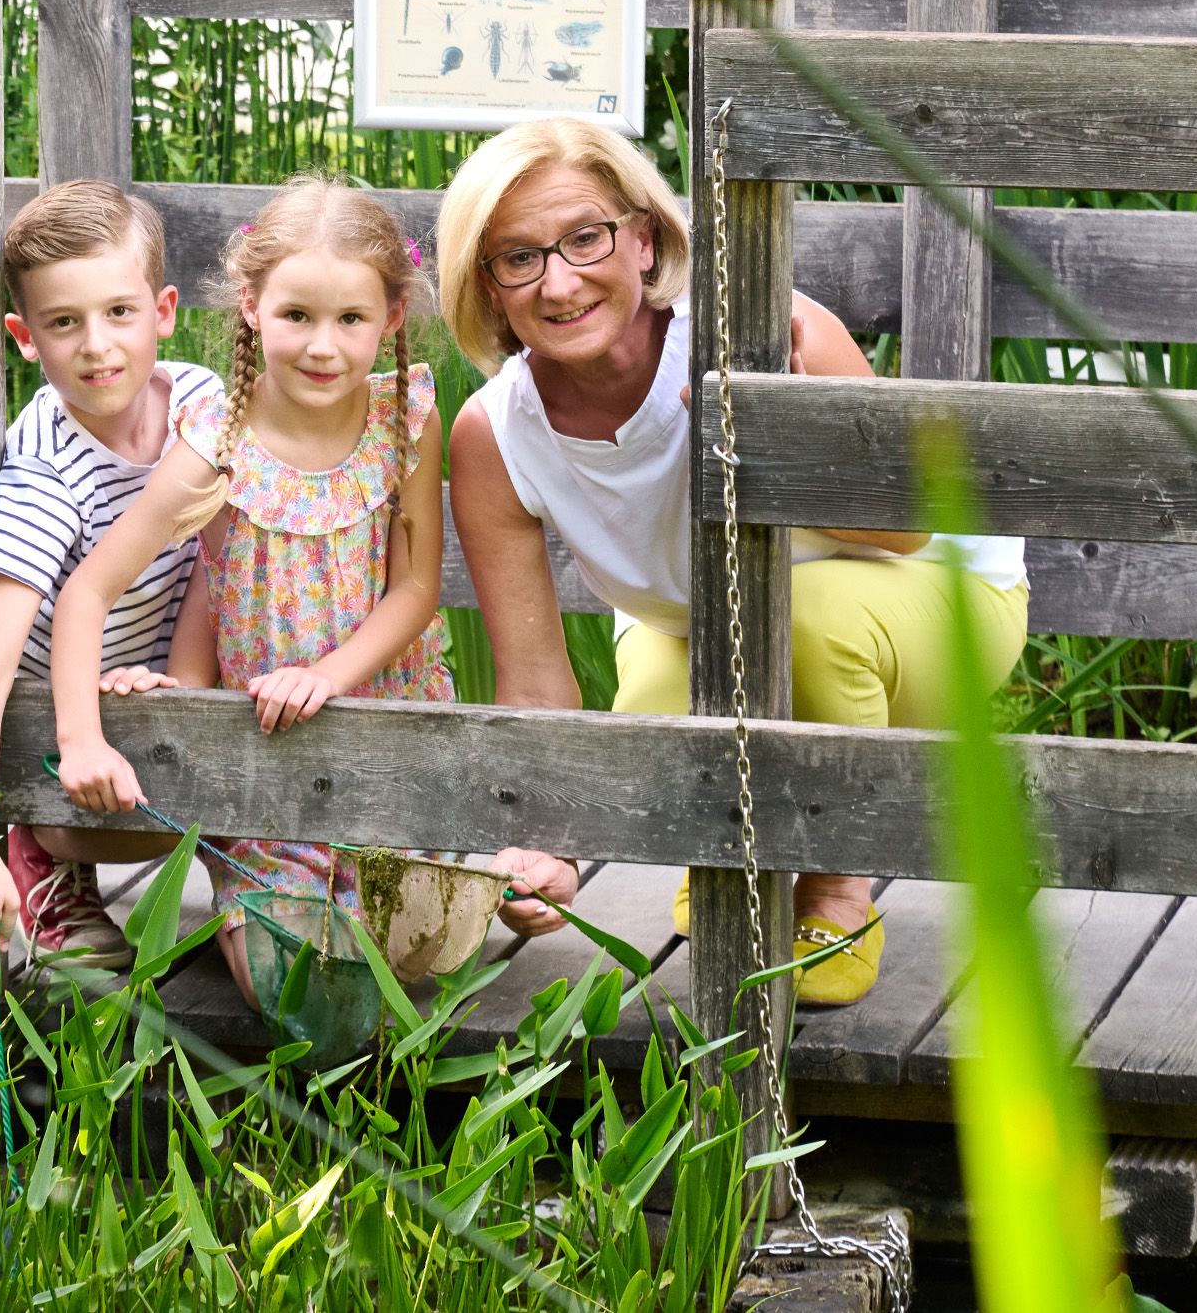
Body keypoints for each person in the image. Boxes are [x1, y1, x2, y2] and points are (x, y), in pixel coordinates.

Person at [437, 117, 1029, 1007]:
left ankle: (834, 890)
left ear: (642, 238)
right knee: (647, 677)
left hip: (937, 601)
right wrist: (547, 843)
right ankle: (733, 869)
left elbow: (906, 528)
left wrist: (784, 432)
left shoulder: (759, 330)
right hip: (717, 629)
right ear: (485, 286)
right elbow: (532, 683)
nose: (558, 282)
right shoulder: (494, 432)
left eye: (584, 238)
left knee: (806, 616)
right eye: (518, 258)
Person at [49, 176, 452, 1006]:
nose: (323, 346)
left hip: (387, 745)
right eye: (296, 315)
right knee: (293, 989)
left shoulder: (405, 420)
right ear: (251, 306)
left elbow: (415, 588)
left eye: (352, 319)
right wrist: (92, 733)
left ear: (394, 318)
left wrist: (327, 677)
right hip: (260, 767)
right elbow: (89, 590)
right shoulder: (217, 442)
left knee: (407, 967)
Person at [0, 180, 221, 985]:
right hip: (68, 715)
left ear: (163, 311)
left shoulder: (201, 402)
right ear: (26, 338)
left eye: (119, 314)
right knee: (102, 811)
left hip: (169, 671)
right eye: (65, 323)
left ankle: (255, 864)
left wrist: (188, 678)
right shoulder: (49, 468)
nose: (98, 345)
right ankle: (42, 853)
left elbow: (230, 557)